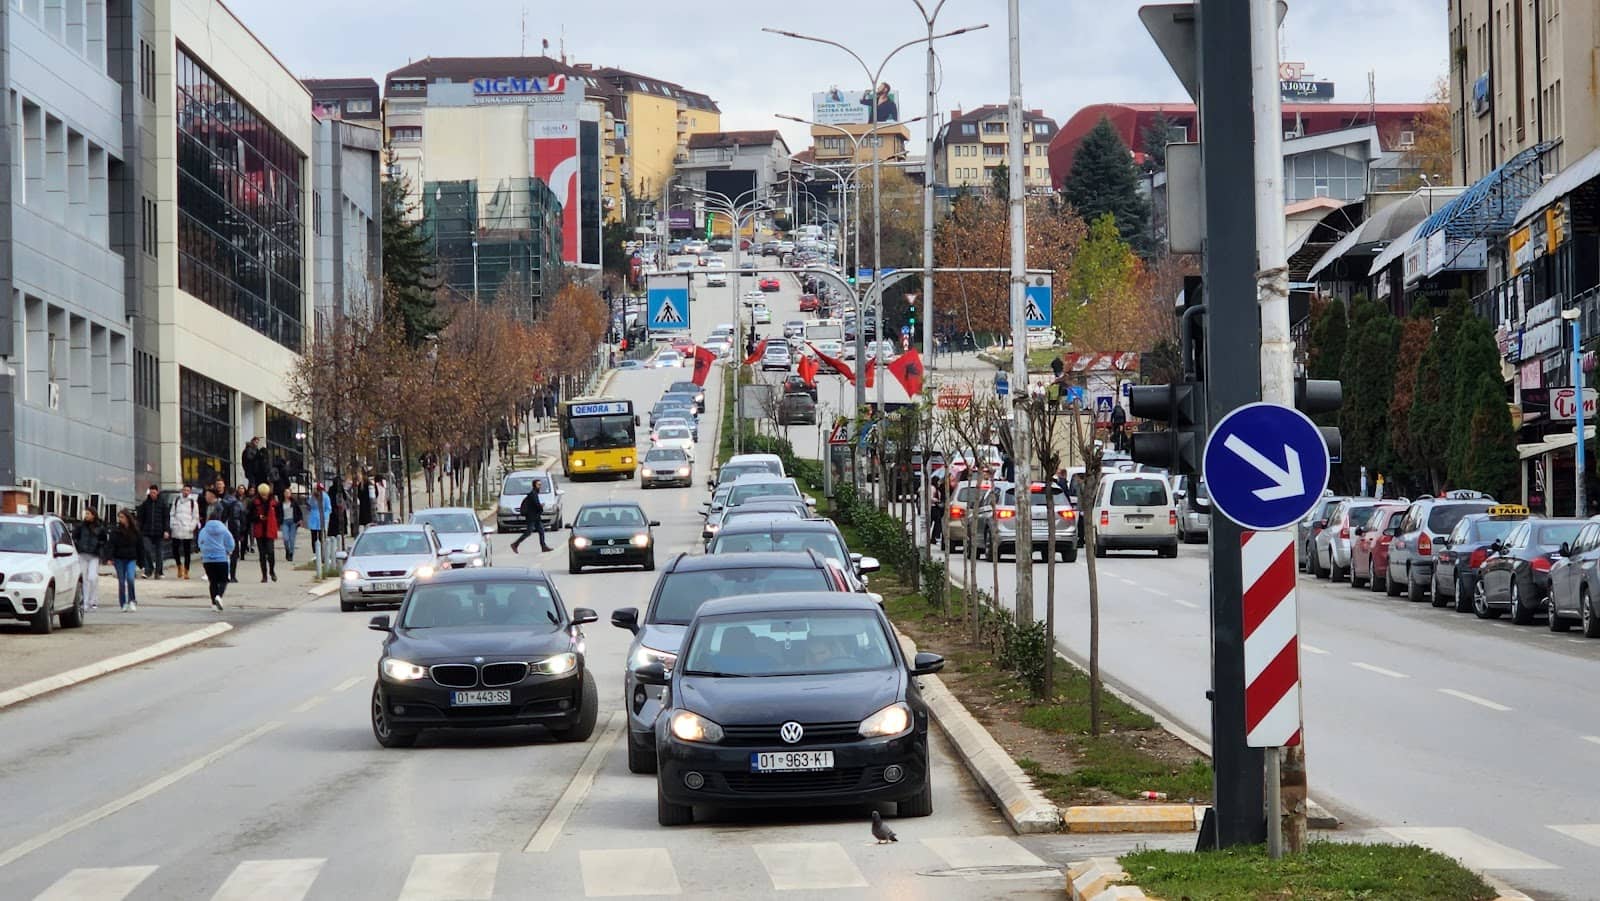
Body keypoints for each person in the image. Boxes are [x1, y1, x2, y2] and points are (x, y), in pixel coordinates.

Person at [197, 509, 236, 612]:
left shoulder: (204, 530)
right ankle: (219, 596)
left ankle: (213, 604)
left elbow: (200, 542)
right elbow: (231, 542)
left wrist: (204, 551)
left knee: (213, 581)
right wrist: (228, 550)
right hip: (221, 558)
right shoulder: (224, 529)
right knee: (224, 580)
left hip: (208, 560)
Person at [108, 510, 143, 611]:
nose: (120, 519)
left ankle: (132, 600)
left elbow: (140, 547)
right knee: (121, 582)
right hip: (119, 559)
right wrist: (109, 558)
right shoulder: (116, 531)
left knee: (130, 579)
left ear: (127, 518)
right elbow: (111, 545)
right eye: (119, 517)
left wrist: (141, 562)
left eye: (122, 517)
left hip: (131, 558)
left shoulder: (135, 531)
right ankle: (123, 603)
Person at [72, 508, 106, 611]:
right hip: (82, 554)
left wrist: (98, 547)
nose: (86, 515)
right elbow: (74, 537)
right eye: (85, 513)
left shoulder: (100, 527)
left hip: (94, 555)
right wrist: (78, 546)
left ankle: (93, 600)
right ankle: (84, 602)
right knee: (84, 579)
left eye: (88, 513)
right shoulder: (81, 526)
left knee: (92, 577)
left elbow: (104, 540)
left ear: (93, 515)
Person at [135, 483, 169, 578]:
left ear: (157, 492)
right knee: (147, 550)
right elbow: (140, 518)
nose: (152, 494)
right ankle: (148, 570)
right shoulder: (145, 504)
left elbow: (166, 518)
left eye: (154, 492)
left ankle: (159, 572)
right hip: (147, 531)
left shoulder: (163, 504)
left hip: (159, 531)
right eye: (151, 493)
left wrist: (166, 530)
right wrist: (140, 529)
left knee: (159, 553)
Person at [510, 479, 551, 553]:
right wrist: (541, 506)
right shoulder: (533, 494)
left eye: (540, 485)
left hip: (536, 516)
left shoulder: (534, 493)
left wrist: (539, 507)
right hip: (531, 517)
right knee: (529, 531)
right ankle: (515, 544)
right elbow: (536, 505)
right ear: (534, 485)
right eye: (538, 485)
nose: (540, 486)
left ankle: (543, 547)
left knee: (541, 531)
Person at [249, 483, 279, 582]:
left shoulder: (274, 502)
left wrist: (277, 523)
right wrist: (258, 517)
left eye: (265, 494)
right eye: (262, 495)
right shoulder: (254, 502)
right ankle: (264, 575)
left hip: (270, 529)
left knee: (271, 552)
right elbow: (249, 516)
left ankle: (272, 571)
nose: (264, 496)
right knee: (262, 554)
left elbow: (279, 514)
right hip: (259, 530)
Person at [169, 485, 200, 580]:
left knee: (187, 552)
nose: (186, 492)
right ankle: (179, 566)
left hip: (187, 529)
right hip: (177, 528)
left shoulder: (193, 503)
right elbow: (172, 513)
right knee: (175, 550)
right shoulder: (177, 500)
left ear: (190, 492)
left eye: (188, 490)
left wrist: (191, 527)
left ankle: (186, 571)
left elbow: (195, 517)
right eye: (184, 490)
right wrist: (173, 524)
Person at [306, 482, 332, 567]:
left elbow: (328, 508)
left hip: (322, 518)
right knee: (314, 537)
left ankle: (321, 553)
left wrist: (325, 516)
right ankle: (315, 553)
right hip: (314, 518)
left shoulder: (325, 497)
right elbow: (310, 505)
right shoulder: (312, 497)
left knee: (321, 537)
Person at [280, 488, 303, 563]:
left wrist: (300, 520)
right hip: (284, 522)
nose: (287, 494)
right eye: (285, 492)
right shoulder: (281, 503)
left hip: (293, 522)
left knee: (292, 539)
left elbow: (299, 511)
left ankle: (291, 554)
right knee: (286, 538)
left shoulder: (294, 502)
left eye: (288, 492)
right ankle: (287, 550)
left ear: (290, 494)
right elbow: (278, 512)